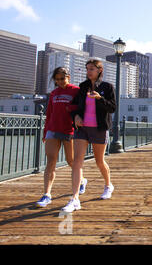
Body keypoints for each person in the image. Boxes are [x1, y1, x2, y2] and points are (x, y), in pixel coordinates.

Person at [61, 59, 116, 213]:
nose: (88, 71)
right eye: (87, 69)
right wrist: (76, 116)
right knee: (77, 161)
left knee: (99, 161)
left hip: (99, 128)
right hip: (82, 129)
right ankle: (75, 198)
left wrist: (99, 98)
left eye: (91, 68)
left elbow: (112, 108)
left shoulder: (107, 87)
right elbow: (75, 106)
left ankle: (108, 185)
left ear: (99, 70)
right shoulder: (83, 87)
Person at [36, 67, 87, 207]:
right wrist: (45, 132)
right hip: (53, 130)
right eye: (57, 79)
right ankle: (46, 195)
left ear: (68, 77)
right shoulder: (53, 93)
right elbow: (49, 113)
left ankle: (82, 180)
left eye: (62, 79)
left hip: (70, 131)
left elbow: (82, 109)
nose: (60, 82)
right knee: (51, 161)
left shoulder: (76, 91)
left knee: (71, 161)